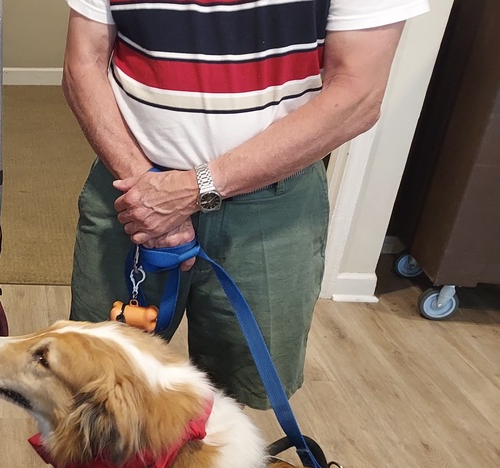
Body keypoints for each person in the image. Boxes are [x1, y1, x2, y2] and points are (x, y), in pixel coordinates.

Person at [63, 1, 429, 409]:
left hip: (271, 207)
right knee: (93, 382)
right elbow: (83, 63)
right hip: (130, 192)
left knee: (236, 387)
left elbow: (360, 93)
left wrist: (191, 190)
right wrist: (148, 192)